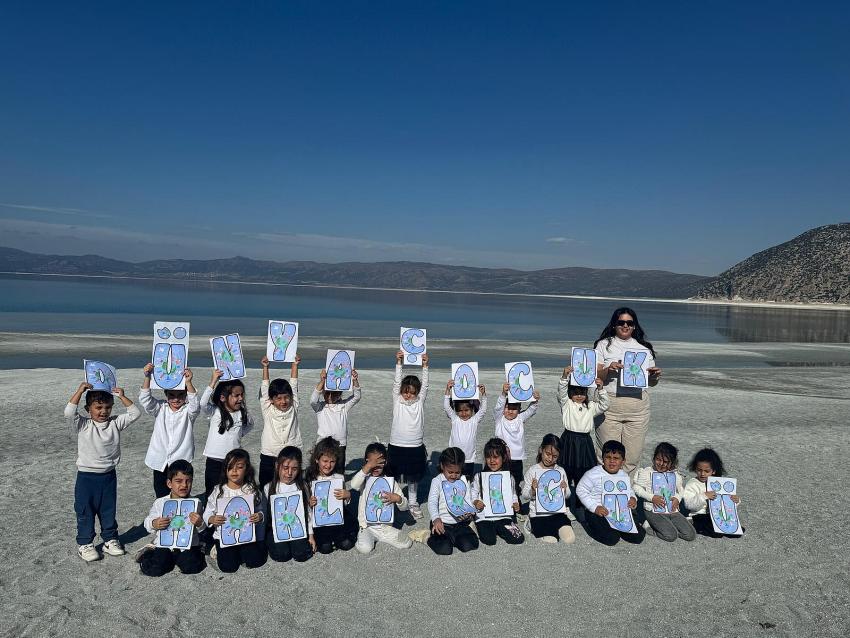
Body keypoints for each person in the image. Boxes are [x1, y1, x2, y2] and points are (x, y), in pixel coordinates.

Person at [65, 382, 141, 562]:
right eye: (98, 407)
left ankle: (109, 540)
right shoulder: (83, 424)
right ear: (88, 408)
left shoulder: (115, 422)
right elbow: (69, 412)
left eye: (107, 407)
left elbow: (135, 414)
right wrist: (79, 391)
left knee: (108, 510)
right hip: (86, 477)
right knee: (85, 511)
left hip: (108, 476)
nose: (103, 411)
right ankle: (85, 544)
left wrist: (121, 395)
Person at [593, 307, 662, 474]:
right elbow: (595, 374)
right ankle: (605, 496)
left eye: (629, 323)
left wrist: (654, 376)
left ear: (634, 326)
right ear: (614, 324)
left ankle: (626, 496)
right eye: (621, 322)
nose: (625, 326)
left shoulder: (644, 348)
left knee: (631, 458)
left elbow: (651, 383)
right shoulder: (604, 345)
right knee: (607, 457)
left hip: (637, 407)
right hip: (609, 405)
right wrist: (608, 369)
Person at [139, 364, 201, 497]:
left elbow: (195, 405)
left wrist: (188, 382)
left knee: (181, 494)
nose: (176, 399)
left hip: (181, 459)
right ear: (166, 394)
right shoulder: (160, 408)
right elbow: (145, 400)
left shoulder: (188, 412)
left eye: (180, 395)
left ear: (185, 395)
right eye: (172, 395)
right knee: (161, 494)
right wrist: (147, 376)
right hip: (160, 461)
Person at [137, 460, 206, 576]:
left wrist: (199, 523)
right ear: (169, 483)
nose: (184, 485)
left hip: (187, 544)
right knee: (156, 569)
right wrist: (154, 523)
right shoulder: (161, 503)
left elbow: (202, 527)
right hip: (165, 544)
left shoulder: (196, 503)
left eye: (188, 481)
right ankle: (148, 552)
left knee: (192, 567)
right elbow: (147, 522)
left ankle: (196, 552)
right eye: (178, 481)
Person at [557, 367, 609, 519]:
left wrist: (601, 389)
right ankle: (564, 505)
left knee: (583, 474)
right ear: (571, 394)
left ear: (586, 394)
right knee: (565, 472)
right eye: (575, 393)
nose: (579, 396)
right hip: (568, 440)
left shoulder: (591, 406)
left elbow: (605, 405)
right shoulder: (566, 404)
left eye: (582, 393)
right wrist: (565, 376)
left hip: (585, 441)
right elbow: (561, 392)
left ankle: (580, 506)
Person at [203, 448, 267, 572]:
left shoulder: (252, 490)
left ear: (247, 469)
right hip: (225, 536)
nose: (234, 471)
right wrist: (212, 519)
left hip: (247, 535)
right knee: (228, 567)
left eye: (239, 467)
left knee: (256, 561)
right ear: (225, 469)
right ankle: (216, 547)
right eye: (230, 467)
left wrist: (259, 516)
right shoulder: (218, 491)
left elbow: (260, 509)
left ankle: (241, 551)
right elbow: (207, 513)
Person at [576, 440, 645, 546]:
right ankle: (589, 525)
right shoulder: (593, 474)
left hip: (618, 513)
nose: (612, 461)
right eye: (608, 457)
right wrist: (594, 507)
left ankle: (619, 529)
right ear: (603, 458)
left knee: (638, 537)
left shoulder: (623, 475)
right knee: (611, 539)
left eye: (616, 458)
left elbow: (629, 491)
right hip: (598, 512)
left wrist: (632, 498)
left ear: (623, 461)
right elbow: (580, 490)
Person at [387, 350, 430, 519]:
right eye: (406, 391)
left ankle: (412, 502)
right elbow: (397, 383)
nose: (408, 395)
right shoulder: (397, 400)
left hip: (415, 445)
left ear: (417, 392)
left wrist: (425, 366)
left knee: (413, 478)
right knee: (394, 475)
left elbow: (425, 385)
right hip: (396, 443)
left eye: (412, 392)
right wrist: (399, 363)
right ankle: (394, 500)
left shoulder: (420, 401)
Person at [349, 442, 412, 554]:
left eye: (380, 463)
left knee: (407, 543)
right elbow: (353, 485)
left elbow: (405, 506)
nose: (376, 467)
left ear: (385, 462)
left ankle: (385, 537)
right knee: (365, 549)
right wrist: (367, 468)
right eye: (372, 463)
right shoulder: (364, 479)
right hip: (367, 527)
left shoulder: (390, 482)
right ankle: (361, 534)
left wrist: (398, 499)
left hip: (385, 528)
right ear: (366, 462)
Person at [200, 372, 254, 496]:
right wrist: (213, 381)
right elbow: (202, 403)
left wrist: (240, 434)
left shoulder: (243, 413)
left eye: (242, 395)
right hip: (214, 461)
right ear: (223, 397)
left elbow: (251, 424)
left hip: (233, 463)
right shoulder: (215, 411)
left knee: (231, 492)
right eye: (236, 395)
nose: (240, 398)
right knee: (212, 493)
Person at [633, 442, 696, 542]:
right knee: (671, 536)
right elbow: (636, 487)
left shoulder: (674, 475)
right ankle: (649, 526)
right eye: (658, 459)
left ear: (672, 462)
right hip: (653, 510)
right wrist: (652, 497)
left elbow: (680, 490)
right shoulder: (647, 472)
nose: (661, 464)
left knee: (690, 535)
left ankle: (669, 526)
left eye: (666, 462)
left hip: (672, 509)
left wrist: (677, 499)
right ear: (654, 458)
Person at [305, 437, 357, 554]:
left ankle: (340, 537)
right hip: (319, 520)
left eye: (332, 461)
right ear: (317, 460)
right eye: (325, 461)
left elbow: (342, 504)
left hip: (336, 518)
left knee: (347, 544)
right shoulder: (310, 479)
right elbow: (306, 506)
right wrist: (309, 502)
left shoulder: (339, 478)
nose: (328, 465)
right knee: (325, 548)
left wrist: (347, 496)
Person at [469, 438, 524, 546]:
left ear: (503, 458)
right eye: (488, 457)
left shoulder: (509, 477)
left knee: (518, 538)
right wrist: (475, 502)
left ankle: (500, 528)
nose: (492, 461)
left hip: (504, 516)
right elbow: (472, 493)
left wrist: (515, 504)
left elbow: (513, 494)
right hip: (484, 516)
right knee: (489, 540)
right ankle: (476, 525)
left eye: (495, 457)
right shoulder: (479, 477)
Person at [265, 446, 316, 562]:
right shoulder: (268, 488)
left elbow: (308, 512)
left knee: (302, 554)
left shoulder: (302, 486)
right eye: (285, 468)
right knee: (282, 555)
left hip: (297, 527)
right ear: (277, 465)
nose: (289, 473)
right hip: (277, 529)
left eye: (294, 469)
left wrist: (311, 535)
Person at [258, 355, 303, 487]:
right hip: (269, 455)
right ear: (271, 400)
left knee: (291, 486)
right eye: (278, 398)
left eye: (286, 397)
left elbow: (293, 384)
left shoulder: (294, 406)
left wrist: (295, 365)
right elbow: (265, 388)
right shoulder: (267, 409)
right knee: (266, 486)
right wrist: (266, 367)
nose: (283, 401)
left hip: (291, 454)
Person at [426, 447, 479, 555]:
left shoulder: (463, 480)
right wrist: (435, 519)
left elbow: (467, 499)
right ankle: (427, 537)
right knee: (445, 549)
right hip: (442, 523)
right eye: (450, 472)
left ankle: (454, 538)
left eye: (457, 472)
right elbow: (432, 502)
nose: (454, 476)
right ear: (442, 466)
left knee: (470, 545)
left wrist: (470, 511)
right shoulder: (437, 481)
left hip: (460, 523)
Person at [522, 434, 575, 544]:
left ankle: (553, 527)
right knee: (552, 539)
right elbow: (524, 495)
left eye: (554, 456)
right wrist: (532, 489)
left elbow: (568, 495)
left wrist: (565, 490)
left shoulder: (560, 471)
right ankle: (530, 523)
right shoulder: (533, 471)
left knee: (569, 538)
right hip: (538, 514)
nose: (550, 458)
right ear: (541, 450)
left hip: (557, 512)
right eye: (548, 454)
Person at [310, 367, 361, 474]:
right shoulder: (320, 407)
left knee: (338, 472)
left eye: (334, 394)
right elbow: (313, 399)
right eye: (327, 393)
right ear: (323, 392)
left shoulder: (344, 405)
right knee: (320, 471)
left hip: (340, 445)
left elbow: (357, 396)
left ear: (340, 394)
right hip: (322, 444)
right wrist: (323, 381)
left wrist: (355, 380)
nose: (330, 396)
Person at [684, 448, 743, 538]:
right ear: (695, 468)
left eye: (707, 471)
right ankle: (695, 526)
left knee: (736, 530)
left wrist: (735, 501)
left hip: (715, 516)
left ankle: (722, 529)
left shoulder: (718, 484)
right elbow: (689, 505)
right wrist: (704, 496)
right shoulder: (692, 484)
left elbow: (726, 506)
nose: (702, 474)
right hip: (698, 516)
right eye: (699, 470)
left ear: (713, 471)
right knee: (713, 529)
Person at [493, 383, 540, 496]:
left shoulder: (520, 418)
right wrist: (504, 394)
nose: (510, 411)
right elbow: (498, 408)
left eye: (514, 408)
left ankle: (516, 502)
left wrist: (535, 400)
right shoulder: (499, 419)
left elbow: (531, 410)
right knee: (503, 481)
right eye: (508, 407)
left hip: (517, 458)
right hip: (502, 457)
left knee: (516, 481)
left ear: (519, 410)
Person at [443, 379, 487, 481]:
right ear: (456, 411)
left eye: (466, 410)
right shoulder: (455, 419)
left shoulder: (474, 420)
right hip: (454, 458)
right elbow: (446, 407)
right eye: (460, 411)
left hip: (469, 459)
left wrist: (483, 394)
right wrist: (447, 390)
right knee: (453, 481)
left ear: (472, 410)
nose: (464, 413)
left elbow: (483, 410)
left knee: (467, 482)